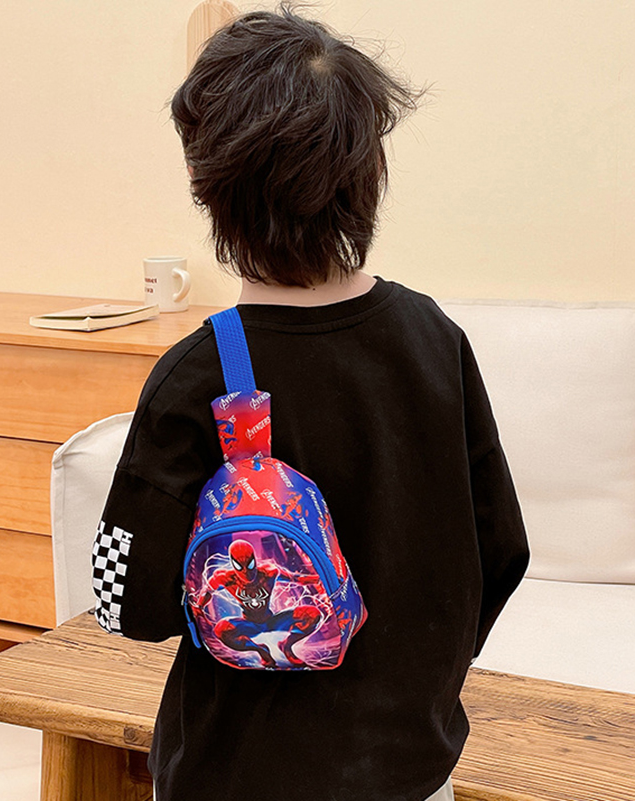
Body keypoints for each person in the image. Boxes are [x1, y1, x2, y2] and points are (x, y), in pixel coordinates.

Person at [91, 5, 530, 800]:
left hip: (234, 774)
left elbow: (125, 600)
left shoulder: (197, 375)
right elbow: (502, 547)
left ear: (208, 185)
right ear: (369, 171)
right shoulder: (434, 336)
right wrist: (417, 674)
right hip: (410, 767)